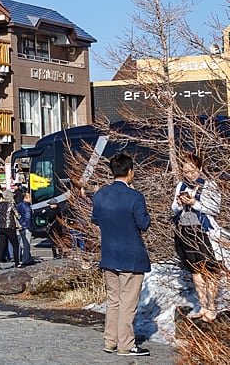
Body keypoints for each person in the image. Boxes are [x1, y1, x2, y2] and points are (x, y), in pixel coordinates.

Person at [90, 152, 151, 357]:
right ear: (130, 172)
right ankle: (126, 344)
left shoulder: (100, 195)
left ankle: (110, 341)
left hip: (109, 255)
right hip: (131, 256)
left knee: (113, 300)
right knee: (127, 302)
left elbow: (95, 220)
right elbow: (144, 224)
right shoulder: (135, 197)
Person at [172, 152, 222, 323]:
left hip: (204, 231)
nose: (190, 175)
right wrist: (179, 203)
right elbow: (173, 208)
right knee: (195, 269)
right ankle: (202, 305)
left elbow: (215, 208)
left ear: (199, 168)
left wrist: (195, 203)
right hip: (186, 230)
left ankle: (212, 307)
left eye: (192, 171)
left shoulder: (209, 185)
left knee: (211, 270)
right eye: (186, 172)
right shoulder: (181, 186)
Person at [0, 189, 20, 269]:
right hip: (9, 227)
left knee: (1, 245)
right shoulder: (11, 204)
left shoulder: (0, 204)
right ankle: (16, 262)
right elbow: (17, 215)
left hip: (0, 227)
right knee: (15, 245)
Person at [15, 189, 34, 266]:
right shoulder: (27, 207)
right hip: (26, 226)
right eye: (30, 197)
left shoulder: (19, 205)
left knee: (22, 243)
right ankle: (26, 259)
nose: (31, 199)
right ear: (26, 198)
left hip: (20, 226)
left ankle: (27, 258)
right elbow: (28, 217)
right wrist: (29, 227)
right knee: (27, 244)